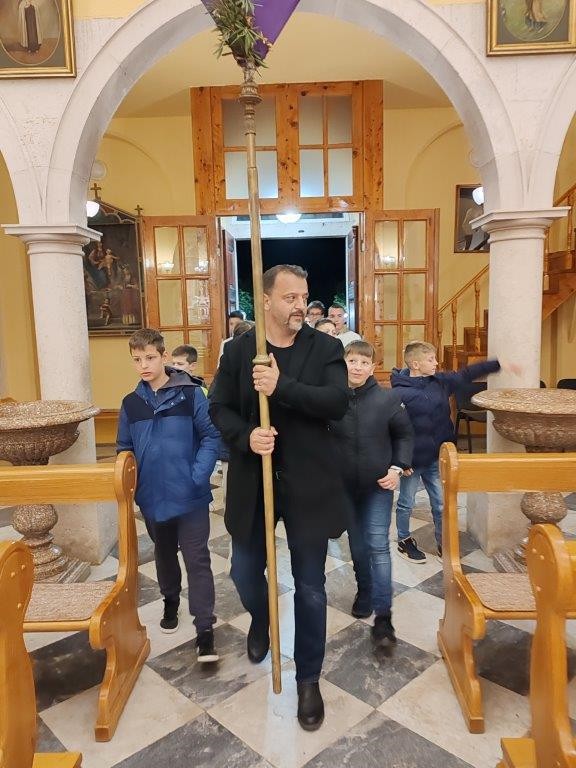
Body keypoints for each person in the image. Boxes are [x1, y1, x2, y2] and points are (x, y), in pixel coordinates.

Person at [209, 264, 350, 732]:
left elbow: (336, 403)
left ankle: (308, 680)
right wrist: (246, 436)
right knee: (244, 571)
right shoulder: (240, 351)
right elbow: (217, 407)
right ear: (265, 300)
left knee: (310, 587)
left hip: (308, 483)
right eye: (290, 297)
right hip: (255, 481)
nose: (299, 306)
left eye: (303, 297)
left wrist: (280, 386)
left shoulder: (325, 348)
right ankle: (262, 618)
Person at [117, 328, 221, 662]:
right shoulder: (131, 404)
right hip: (152, 497)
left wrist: (197, 476)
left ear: (164, 356)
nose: (143, 365)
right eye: (136, 360)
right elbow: (124, 450)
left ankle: (204, 629)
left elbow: (211, 437)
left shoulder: (191, 395)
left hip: (190, 494)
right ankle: (170, 600)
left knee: (197, 558)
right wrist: (136, 487)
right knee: (163, 553)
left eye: (150, 358)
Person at [391, 341, 518, 562]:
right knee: (406, 503)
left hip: (437, 457)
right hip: (412, 461)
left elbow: (466, 374)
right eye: (431, 359)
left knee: (441, 504)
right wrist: (400, 461)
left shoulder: (440, 382)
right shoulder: (398, 392)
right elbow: (394, 430)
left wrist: (497, 364)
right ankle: (404, 540)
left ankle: (444, 544)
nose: (436, 363)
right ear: (415, 364)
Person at [330, 341, 413, 641]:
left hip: (378, 485)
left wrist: (396, 468)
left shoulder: (388, 399)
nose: (357, 367)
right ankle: (364, 590)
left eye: (364, 363)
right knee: (357, 546)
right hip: (343, 487)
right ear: (343, 363)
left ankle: (384, 614)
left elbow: (404, 435)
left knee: (378, 544)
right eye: (352, 361)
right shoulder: (331, 398)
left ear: (373, 367)